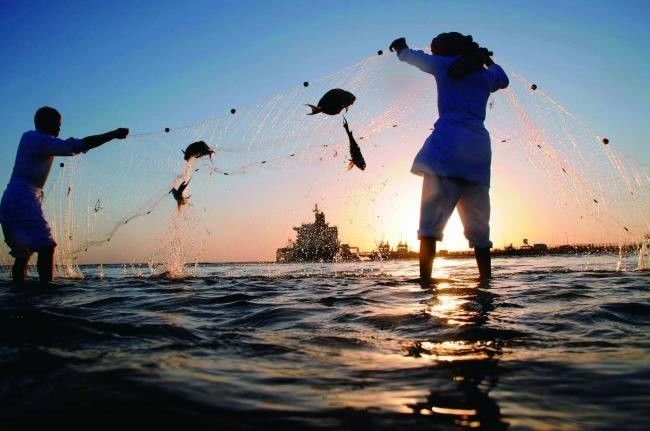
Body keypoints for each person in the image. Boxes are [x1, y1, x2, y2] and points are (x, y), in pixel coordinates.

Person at [389, 33, 509, 284]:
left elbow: (414, 58)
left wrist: (400, 48)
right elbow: (503, 78)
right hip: (477, 155)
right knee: (480, 231)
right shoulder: (484, 75)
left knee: (430, 229)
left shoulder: (443, 65)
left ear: (443, 50)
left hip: (445, 153)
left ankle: (425, 284)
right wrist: (485, 59)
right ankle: (485, 282)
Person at [0, 106, 129, 285]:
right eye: (57, 124)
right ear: (46, 123)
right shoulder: (41, 141)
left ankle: (19, 296)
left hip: (11, 199)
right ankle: (47, 293)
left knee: (24, 253)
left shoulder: (28, 136)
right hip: (23, 199)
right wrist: (113, 134)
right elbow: (77, 145)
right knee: (46, 246)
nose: (60, 128)